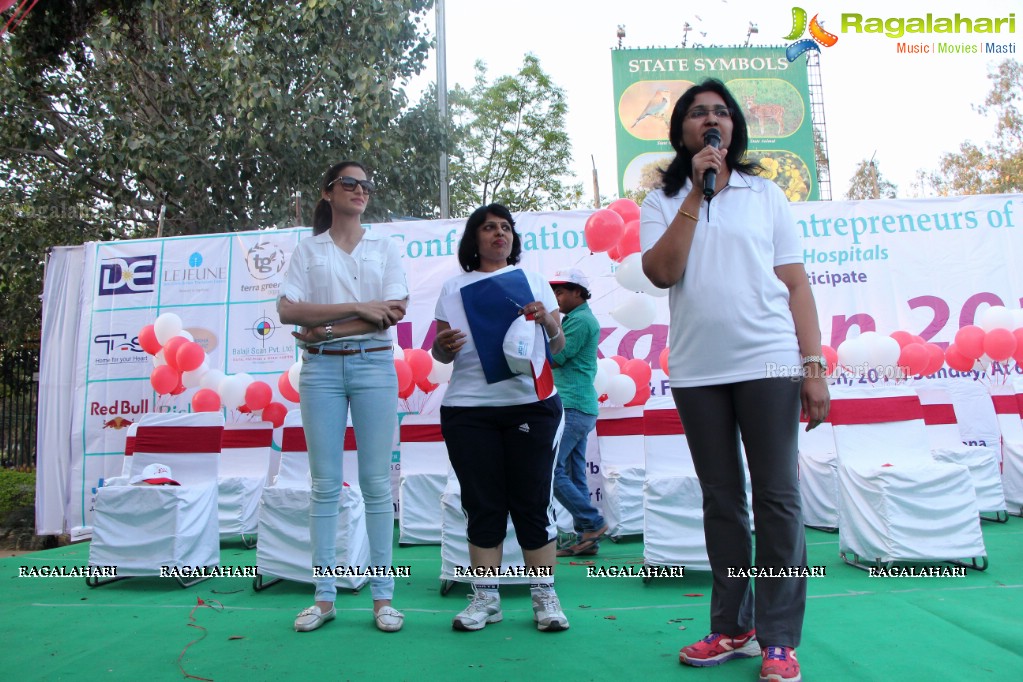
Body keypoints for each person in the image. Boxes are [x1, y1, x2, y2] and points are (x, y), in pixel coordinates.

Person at [639, 79, 829, 682]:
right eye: (699, 113)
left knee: (776, 498)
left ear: (734, 127)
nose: (711, 120)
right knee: (722, 500)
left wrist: (813, 364)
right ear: (682, 131)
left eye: (721, 112)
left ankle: (778, 639)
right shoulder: (661, 201)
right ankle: (733, 627)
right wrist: (697, 190)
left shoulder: (765, 194)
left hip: (769, 362)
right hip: (698, 370)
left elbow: (796, 285)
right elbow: (664, 271)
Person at [278, 161, 409, 633]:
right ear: (328, 192)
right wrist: (356, 308)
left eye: (365, 185)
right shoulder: (307, 250)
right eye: (349, 183)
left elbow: (392, 311)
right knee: (325, 485)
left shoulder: (384, 247)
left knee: (376, 484)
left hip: (374, 365)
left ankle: (382, 598)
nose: (359, 190)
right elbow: (287, 310)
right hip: (320, 373)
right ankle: (325, 596)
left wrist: (323, 330)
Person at [431, 203, 570, 633]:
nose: (499, 234)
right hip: (468, 410)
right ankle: (486, 598)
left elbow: (559, 346)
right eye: (489, 228)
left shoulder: (532, 280)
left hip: (531, 405)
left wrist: (547, 319)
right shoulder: (453, 287)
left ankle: (544, 596)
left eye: (505, 228)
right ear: (474, 238)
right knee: (482, 505)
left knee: (532, 503)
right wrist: (444, 346)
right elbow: (438, 351)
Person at [547, 268, 607, 557]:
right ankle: (587, 538)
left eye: (561, 291)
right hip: (578, 406)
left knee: (549, 470)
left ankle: (592, 522)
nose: (556, 296)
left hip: (572, 406)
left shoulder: (580, 320)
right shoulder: (578, 319)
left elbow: (557, 357)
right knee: (574, 473)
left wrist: (549, 325)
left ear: (578, 293)